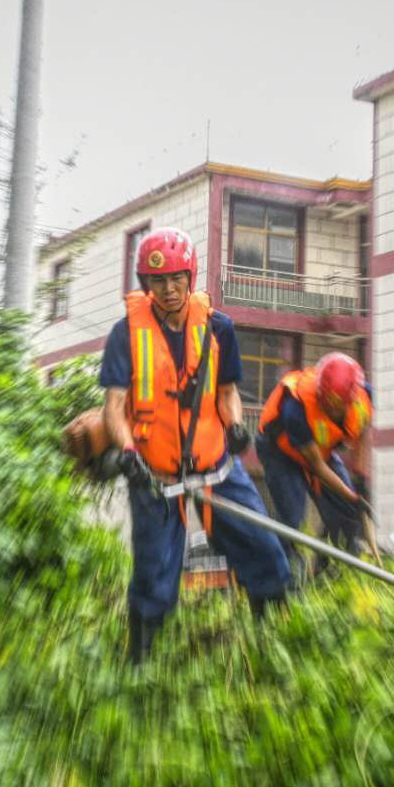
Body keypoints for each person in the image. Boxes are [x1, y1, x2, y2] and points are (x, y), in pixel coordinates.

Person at [98, 227, 291, 665]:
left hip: (216, 467)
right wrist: (127, 451)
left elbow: (226, 394)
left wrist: (237, 426)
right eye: (158, 281)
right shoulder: (125, 334)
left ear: (191, 275)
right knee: (154, 569)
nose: (168, 289)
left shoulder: (219, 328)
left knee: (262, 545)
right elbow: (114, 405)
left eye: (176, 279)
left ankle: (276, 643)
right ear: (146, 284)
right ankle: (140, 663)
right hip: (155, 473)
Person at [254, 352, 375, 578]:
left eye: (336, 406)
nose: (329, 407)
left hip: (321, 448)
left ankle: (329, 574)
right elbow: (316, 467)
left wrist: (360, 480)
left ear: (351, 398)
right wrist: (352, 496)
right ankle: (285, 577)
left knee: (347, 513)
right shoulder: (295, 409)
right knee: (293, 520)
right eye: (325, 400)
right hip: (281, 452)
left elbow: (364, 431)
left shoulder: (364, 394)